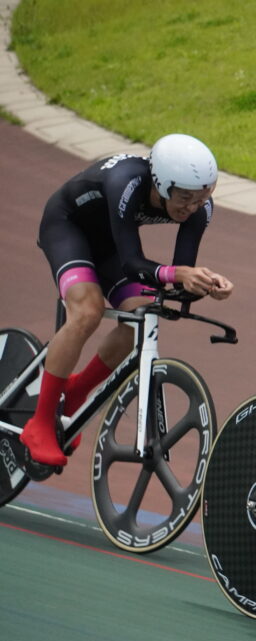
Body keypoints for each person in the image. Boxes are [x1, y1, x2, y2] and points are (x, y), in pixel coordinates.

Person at [20, 133, 233, 468]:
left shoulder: (199, 206)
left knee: (142, 315)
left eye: (201, 198)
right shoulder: (127, 181)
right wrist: (179, 274)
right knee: (87, 311)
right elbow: (136, 264)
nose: (192, 207)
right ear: (161, 184)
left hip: (110, 245)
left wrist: (205, 284)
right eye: (185, 198)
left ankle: (74, 394)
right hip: (67, 229)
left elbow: (179, 275)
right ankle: (41, 422)